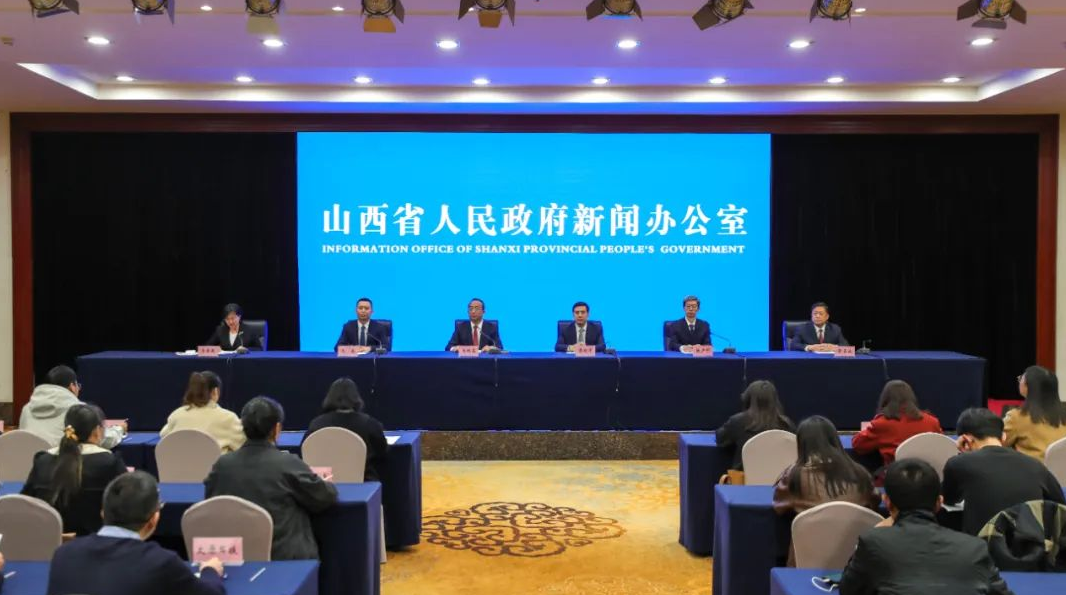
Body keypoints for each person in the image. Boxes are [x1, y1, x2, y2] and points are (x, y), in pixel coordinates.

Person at [839, 459, 1013, 595]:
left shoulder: (873, 542)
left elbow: (848, 590)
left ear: (888, 502)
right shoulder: (975, 548)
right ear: (939, 503)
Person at [47, 471, 225, 595]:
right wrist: (210, 571)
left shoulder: (63, 554)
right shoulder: (160, 562)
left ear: (102, 513)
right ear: (153, 520)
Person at [205, 396, 338, 560]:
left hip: (233, 557)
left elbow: (210, 501)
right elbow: (325, 496)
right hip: (284, 557)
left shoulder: (221, 466)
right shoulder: (288, 463)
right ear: (277, 429)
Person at [944, 407, 1065, 535]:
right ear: (1003, 436)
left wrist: (963, 454)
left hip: (983, 544)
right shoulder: (1035, 465)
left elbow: (949, 499)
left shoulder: (959, 463)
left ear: (965, 439)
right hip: (1033, 544)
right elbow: (1060, 505)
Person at [22, 404, 128, 536]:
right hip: (96, 544)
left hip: (47, 542)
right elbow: (129, 505)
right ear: (97, 431)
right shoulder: (109, 463)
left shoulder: (42, 461)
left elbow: (26, 502)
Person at [773, 415, 879, 515]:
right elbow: (875, 501)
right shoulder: (861, 473)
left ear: (801, 444)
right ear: (835, 440)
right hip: (856, 529)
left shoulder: (793, 476)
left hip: (812, 529)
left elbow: (779, 506)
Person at [20, 365, 126, 448]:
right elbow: (102, 439)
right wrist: (119, 430)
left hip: (30, 464)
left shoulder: (27, 408)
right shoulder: (78, 410)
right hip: (63, 465)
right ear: (72, 386)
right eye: (78, 385)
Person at [303, 378, 388, 481]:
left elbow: (305, 452)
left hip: (323, 484)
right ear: (355, 397)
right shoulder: (369, 424)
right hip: (363, 484)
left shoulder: (316, 424)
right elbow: (382, 451)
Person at [852, 380, 943, 470]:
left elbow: (858, 445)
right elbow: (942, 446)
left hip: (896, 476)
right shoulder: (933, 421)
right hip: (929, 476)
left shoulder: (882, 424)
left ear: (886, 399)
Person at [716, 380, 794, 470]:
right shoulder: (787, 424)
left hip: (744, 477)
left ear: (748, 399)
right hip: (779, 478)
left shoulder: (737, 421)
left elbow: (720, 438)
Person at [160, 371, 245, 453]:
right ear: (215, 391)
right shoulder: (228, 418)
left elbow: (164, 436)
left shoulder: (176, 415)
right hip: (215, 463)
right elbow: (243, 444)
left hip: (177, 463)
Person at [1004, 365, 1066, 460]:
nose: (1019, 381)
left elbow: (998, 443)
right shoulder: (1063, 414)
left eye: (1021, 379)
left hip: (1032, 468)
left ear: (1028, 387)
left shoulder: (1017, 417)